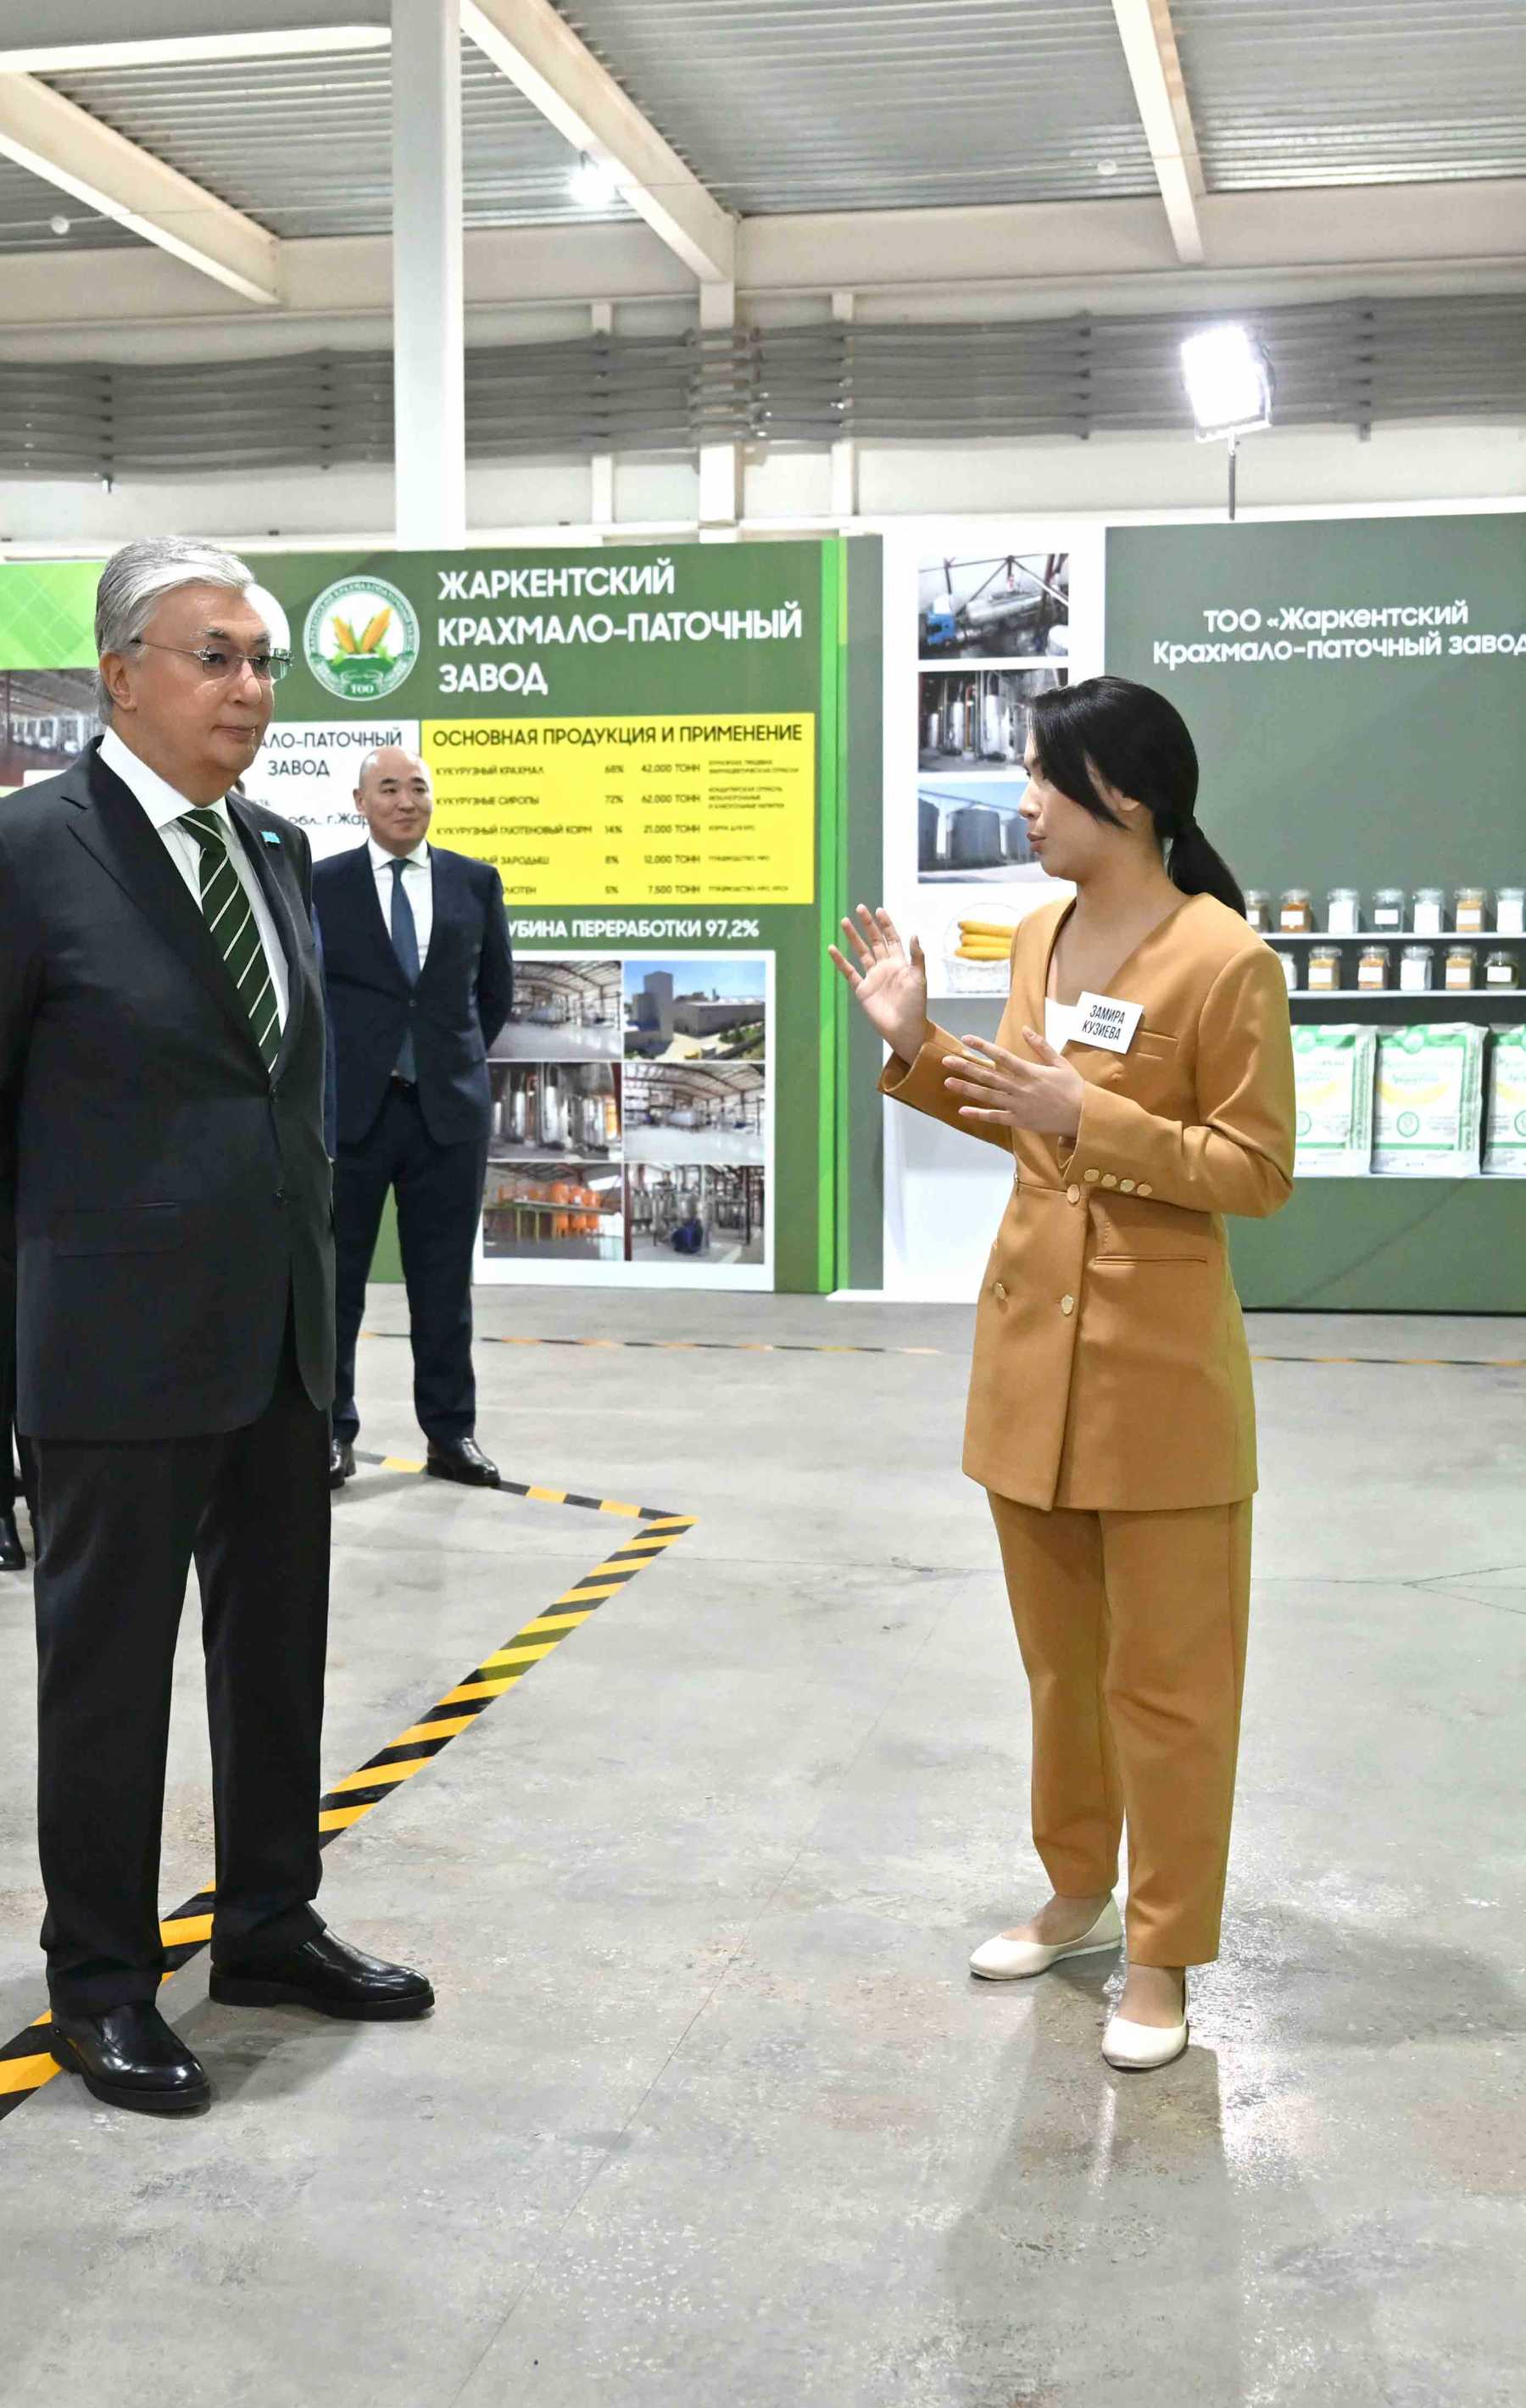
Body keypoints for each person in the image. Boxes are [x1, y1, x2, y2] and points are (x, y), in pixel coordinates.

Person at [0, 538, 434, 2119]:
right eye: (216, 657)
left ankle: (265, 1924)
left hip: (277, 1340)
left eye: (262, 661)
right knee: (108, 1680)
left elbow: (275, 1091)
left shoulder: (272, 845)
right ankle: (103, 1984)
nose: (249, 688)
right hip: (110, 1350)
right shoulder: (30, 851)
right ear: (121, 675)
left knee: (276, 1659)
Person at [831, 676, 1295, 2073]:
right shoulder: (1039, 935)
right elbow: (1035, 1130)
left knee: (1171, 1687)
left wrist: (1093, 1112)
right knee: (1061, 1672)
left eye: (1042, 776)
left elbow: (1256, 1171)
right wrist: (918, 1047)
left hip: (1159, 1377)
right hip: (1031, 1359)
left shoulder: (1225, 960)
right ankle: (1077, 1891)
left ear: (1127, 797)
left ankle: (1163, 1954)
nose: (1022, 801)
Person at [314, 747, 513, 1491]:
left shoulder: (474, 882)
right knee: (337, 1286)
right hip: (352, 1117)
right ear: (359, 801)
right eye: (389, 788)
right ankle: (331, 1434)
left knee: (443, 1286)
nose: (406, 801)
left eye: (418, 788)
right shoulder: (320, 882)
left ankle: (451, 1435)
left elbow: (493, 995)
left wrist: (445, 1062)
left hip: (447, 1116)